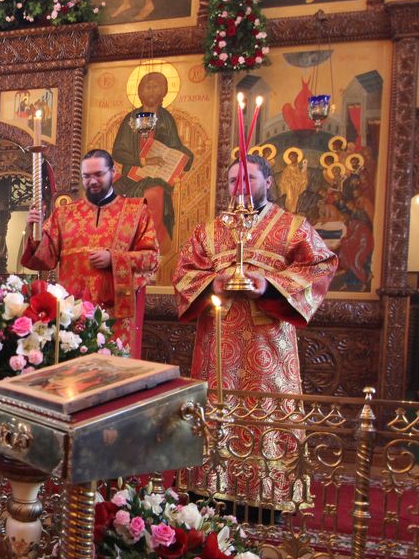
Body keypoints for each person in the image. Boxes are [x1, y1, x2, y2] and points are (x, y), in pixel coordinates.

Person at [172, 153, 337, 513]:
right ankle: (208, 490)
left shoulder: (293, 226)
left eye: (249, 179)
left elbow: (321, 265)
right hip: (219, 341)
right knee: (217, 409)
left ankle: (268, 499)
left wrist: (269, 285)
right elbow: (183, 271)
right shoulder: (210, 230)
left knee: (267, 413)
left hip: (269, 344)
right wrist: (214, 283)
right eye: (233, 181)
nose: (240, 187)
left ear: (268, 182)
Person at [21, 149, 159, 358]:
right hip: (72, 313)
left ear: (113, 171)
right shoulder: (63, 214)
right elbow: (44, 259)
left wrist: (114, 259)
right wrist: (34, 230)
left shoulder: (136, 211)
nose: (92, 181)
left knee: (114, 370)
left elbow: (151, 259)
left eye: (98, 174)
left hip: (115, 315)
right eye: (86, 176)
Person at [111, 71, 193, 247]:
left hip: (157, 177)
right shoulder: (131, 119)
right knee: (116, 197)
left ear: (163, 91)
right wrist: (143, 161)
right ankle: (125, 243)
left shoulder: (166, 118)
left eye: (155, 87)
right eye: (147, 87)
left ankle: (153, 245)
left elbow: (174, 145)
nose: (150, 91)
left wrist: (185, 156)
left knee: (153, 195)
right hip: (132, 177)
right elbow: (118, 152)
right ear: (140, 91)